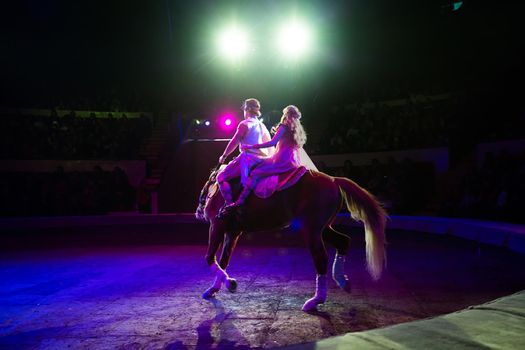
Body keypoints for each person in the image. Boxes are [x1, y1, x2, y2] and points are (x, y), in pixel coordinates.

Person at [220, 105, 314, 214]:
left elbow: (272, 143)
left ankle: (240, 201)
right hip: (294, 160)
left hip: (282, 159)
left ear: (286, 114)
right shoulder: (297, 130)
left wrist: (251, 147)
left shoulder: (284, 127)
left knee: (255, 172)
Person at [216, 98, 273, 212]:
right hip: (262, 160)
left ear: (246, 109)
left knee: (220, 177)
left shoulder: (245, 124)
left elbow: (234, 141)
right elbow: (270, 146)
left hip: (249, 158)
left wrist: (224, 155)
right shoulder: (262, 126)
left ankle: (229, 206)